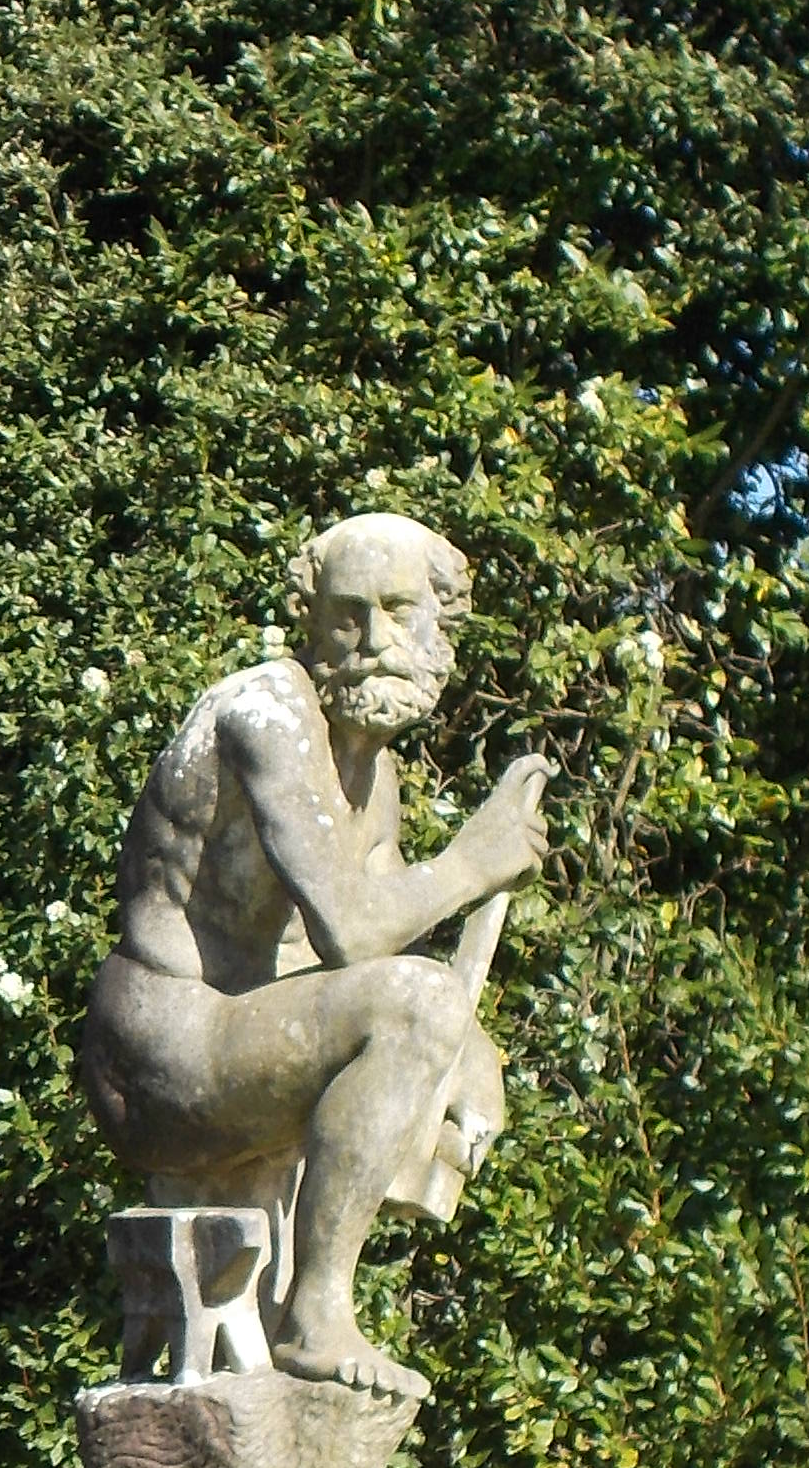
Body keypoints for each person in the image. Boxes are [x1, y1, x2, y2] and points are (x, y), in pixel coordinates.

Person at [79, 513, 548, 1397]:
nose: (372, 640)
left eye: (398, 611)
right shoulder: (267, 714)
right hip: (162, 1049)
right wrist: (474, 862)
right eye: (347, 615)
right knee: (417, 1006)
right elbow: (356, 936)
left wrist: (472, 1055)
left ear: (440, 625)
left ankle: (304, 1319)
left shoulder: (372, 772)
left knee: (431, 1015)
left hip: (241, 1036)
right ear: (311, 623)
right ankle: (318, 1313)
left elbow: (371, 950)